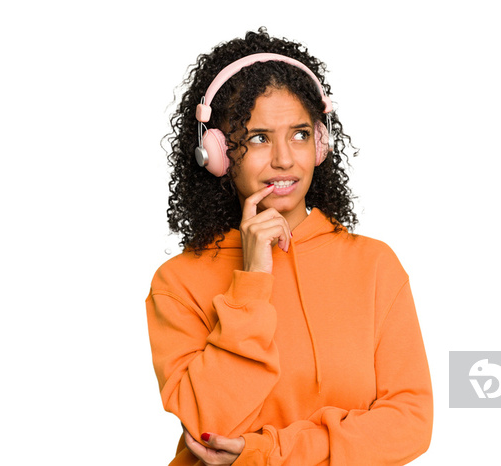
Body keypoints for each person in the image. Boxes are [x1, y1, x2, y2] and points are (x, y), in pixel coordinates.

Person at [146, 27, 433, 465]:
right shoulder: (178, 283)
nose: (284, 158)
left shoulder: (374, 265)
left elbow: (410, 422)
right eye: (258, 137)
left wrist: (269, 453)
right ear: (217, 152)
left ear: (320, 142)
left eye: (299, 134)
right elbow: (210, 425)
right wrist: (253, 280)